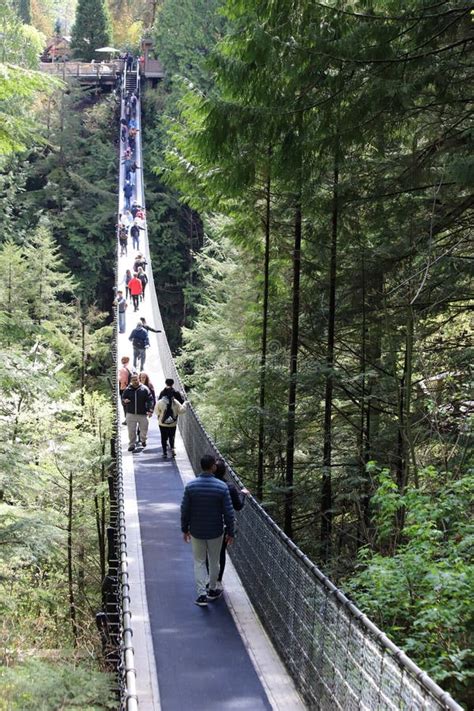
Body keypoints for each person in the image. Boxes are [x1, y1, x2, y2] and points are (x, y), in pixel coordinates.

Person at [180, 454, 235, 606]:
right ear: (213, 467)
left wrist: (185, 529)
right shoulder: (222, 487)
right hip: (216, 531)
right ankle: (212, 589)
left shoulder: (191, 487)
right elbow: (229, 513)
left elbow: (184, 510)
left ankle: (201, 595)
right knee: (214, 560)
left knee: (199, 561)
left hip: (196, 530)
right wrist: (231, 533)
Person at [212, 459, 249, 590]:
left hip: (208, 523)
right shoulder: (229, 487)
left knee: (208, 552)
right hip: (223, 525)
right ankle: (217, 580)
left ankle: (210, 579)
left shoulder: (208, 484)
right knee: (220, 552)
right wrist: (243, 495)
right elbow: (238, 506)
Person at [155, 383, 186, 458]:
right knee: (171, 436)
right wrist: (185, 404)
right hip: (173, 424)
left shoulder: (160, 402)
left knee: (163, 437)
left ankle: (164, 452)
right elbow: (181, 411)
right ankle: (172, 449)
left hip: (162, 424)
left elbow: (157, 412)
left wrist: (160, 415)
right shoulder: (175, 402)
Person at [118, 356, 132, 424]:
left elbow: (122, 380)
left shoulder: (122, 369)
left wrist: (121, 390)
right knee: (129, 404)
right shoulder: (131, 368)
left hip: (124, 389)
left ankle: (127, 420)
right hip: (130, 388)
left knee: (125, 405)